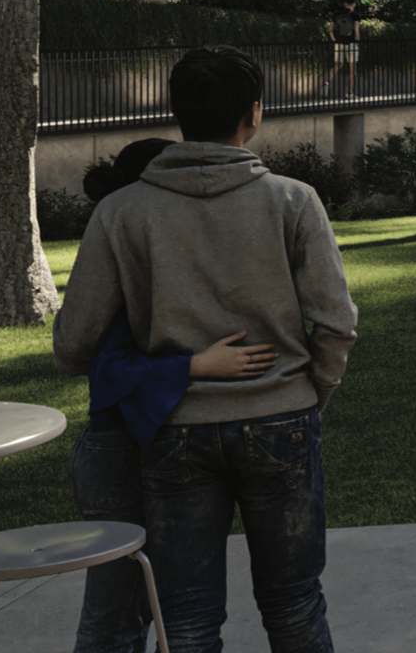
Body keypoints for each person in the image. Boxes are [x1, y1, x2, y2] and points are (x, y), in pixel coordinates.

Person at [53, 44, 358, 653]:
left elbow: (74, 343)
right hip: (282, 419)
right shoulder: (293, 200)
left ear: (177, 113)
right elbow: (336, 322)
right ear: (255, 113)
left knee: (186, 616)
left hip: (174, 427)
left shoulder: (121, 211)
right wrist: (310, 393)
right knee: (295, 602)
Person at [70, 138, 280, 653]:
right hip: (117, 453)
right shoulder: (124, 258)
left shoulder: (155, 265)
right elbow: (98, 363)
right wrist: (194, 366)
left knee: (152, 607)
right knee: (117, 613)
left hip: (145, 446)